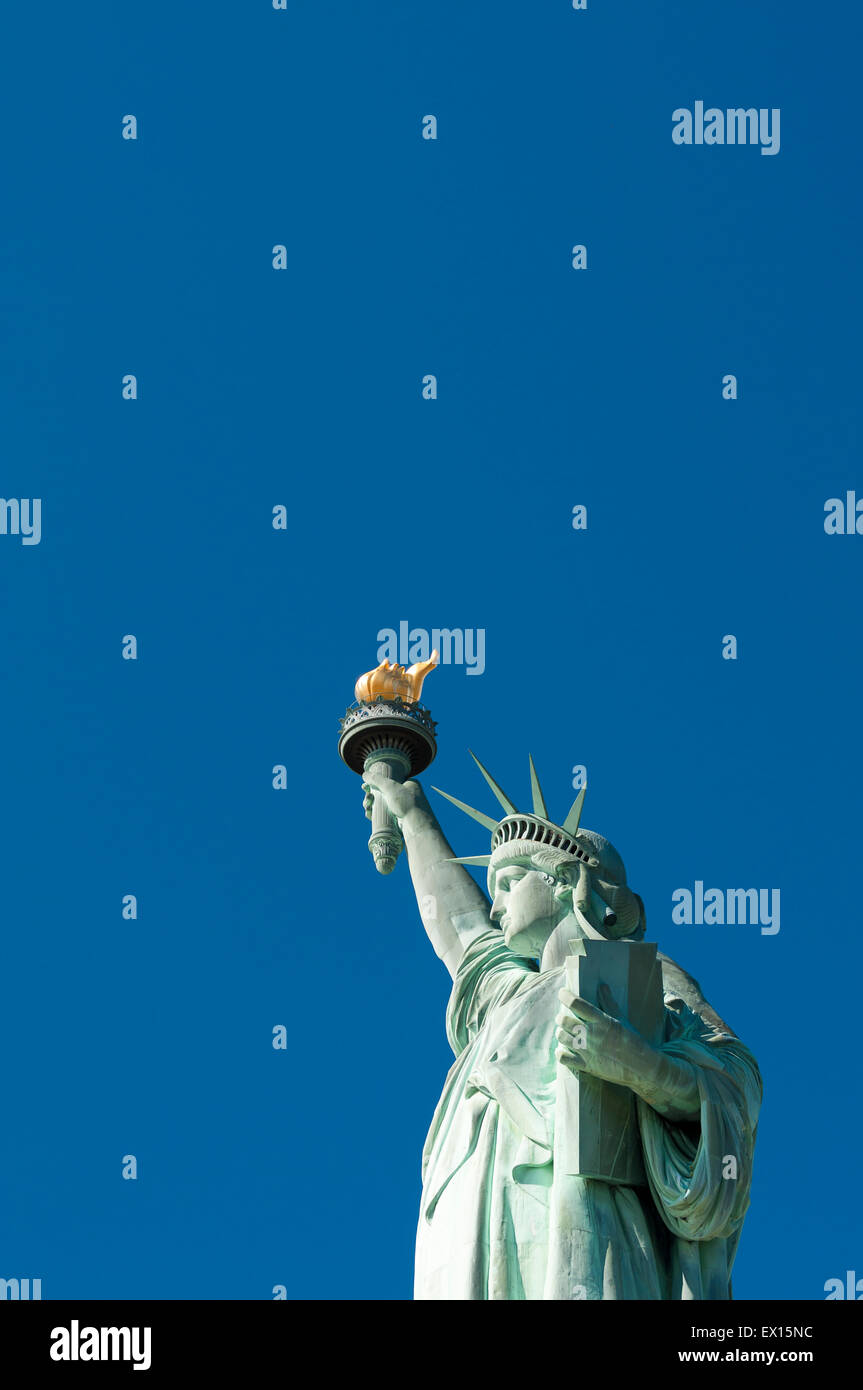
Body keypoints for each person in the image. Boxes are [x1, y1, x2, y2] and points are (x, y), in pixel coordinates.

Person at [362, 756, 762, 1301]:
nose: (495, 905)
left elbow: (734, 1081)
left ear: (564, 880)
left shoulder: (640, 978)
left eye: (507, 881)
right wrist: (411, 815)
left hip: (590, 1240)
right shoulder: (510, 995)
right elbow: (463, 931)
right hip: (469, 1243)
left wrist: (643, 1066)